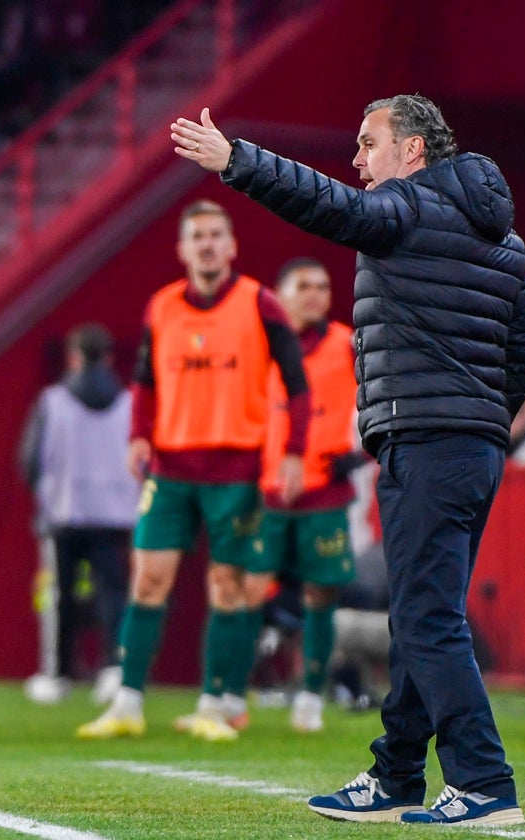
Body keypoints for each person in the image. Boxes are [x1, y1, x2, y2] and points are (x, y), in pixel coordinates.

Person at [171, 94, 525, 825]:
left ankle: (485, 781)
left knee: (427, 619)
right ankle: (397, 774)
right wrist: (483, 419)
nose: (356, 160)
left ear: (412, 152)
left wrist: (238, 161)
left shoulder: (405, 208)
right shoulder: (507, 241)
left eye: (368, 144)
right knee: (419, 617)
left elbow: (328, 205)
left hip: (428, 445)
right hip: (471, 449)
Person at [76, 199, 311, 742]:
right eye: (196, 236)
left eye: (215, 235)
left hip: (236, 468)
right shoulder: (162, 307)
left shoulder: (261, 303)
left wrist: (294, 452)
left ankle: (213, 704)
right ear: (182, 249)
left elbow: (297, 387)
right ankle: (128, 703)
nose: (206, 244)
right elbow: (145, 381)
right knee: (148, 580)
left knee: (227, 585)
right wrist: (139, 435)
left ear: (231, 246)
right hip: (171, 468)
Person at [219, 256, 362, 734]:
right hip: (268, 494)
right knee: (249, 591)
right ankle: (231, 695)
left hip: (324, 491)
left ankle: (310, 695)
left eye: (323, 285)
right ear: (280, 295)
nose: (316, 294)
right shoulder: (258, 347)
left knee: (321, 593)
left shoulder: (346, 343)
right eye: (304, 285)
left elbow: (378, 396)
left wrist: (361, 452)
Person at [18, 322, 139, 705]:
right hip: (115, 513)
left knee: (59, 595)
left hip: (63, 512)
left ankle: (57, 673)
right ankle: (113, 668)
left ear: (73, 357)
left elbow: (29, 460)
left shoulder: (52, 401)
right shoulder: (129, 402)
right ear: (108, 357)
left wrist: (43, 494)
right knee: (113, 594)